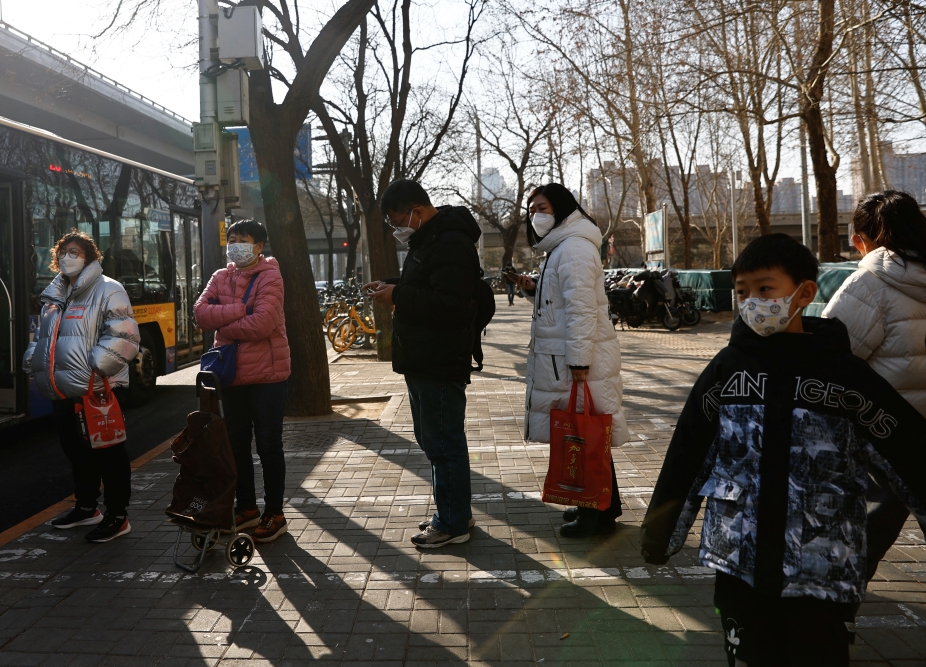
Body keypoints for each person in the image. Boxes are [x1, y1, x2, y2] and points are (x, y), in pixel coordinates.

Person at [640, 233, 926, 666]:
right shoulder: (727, 371)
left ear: (804, 292)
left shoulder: (843, 377)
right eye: (742, 292)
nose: (752, 301)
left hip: (821, 570)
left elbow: (907, 451)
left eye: (765, 289)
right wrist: (659, 534)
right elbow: (688, 451)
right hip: (738, 564)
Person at [506, 184, 629, 538]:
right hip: (571, 359)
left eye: (542, 207)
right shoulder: (563, 248)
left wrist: (578, 361)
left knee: (586, 435)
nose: (536, 215)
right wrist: (534, 290)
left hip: (579, 361)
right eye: (531, 210)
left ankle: (596, 514)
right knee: (588, 434)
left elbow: (581, 309)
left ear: (561, 208)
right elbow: (562, 306)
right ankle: (604, 505)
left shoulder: (573, 248)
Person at [364, 179, 480, 548]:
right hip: (423, 358)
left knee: (443, 442)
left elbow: (450, 303)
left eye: (398, 219)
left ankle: (452, 523)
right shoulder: (429, 240)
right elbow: (429, 285)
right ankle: (455, 511)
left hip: (439, 359)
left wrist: (398, 294)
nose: (397, 228)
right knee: (435, 440)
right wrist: (393, 284)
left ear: (418, 208)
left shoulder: (449, 242)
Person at [823, 190, 926, 577]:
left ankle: (834, 613)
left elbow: (833, 361)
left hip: (888, 432)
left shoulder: (868, 285)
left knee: (865, 531)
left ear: (861, 240)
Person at [23, 230, 140, 543]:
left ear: (90, 256)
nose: (67, 257)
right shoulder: (55, 294)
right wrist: (32, 359)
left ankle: (118, 515)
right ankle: (88, 507)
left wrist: (94, 370)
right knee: (76, 451)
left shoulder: (108, 289)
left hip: (99, 389)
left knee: (109, 454)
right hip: (63, 390)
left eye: (75, 251)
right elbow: (44, 338)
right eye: (63, 251)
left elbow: (124, 336)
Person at [194, 219, 291, 544]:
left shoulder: (270, 275)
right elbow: (200, 313)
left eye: (243, 240)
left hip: (268, 377)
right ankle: (247, 508)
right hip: (232, 374)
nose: (235, 245)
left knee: (268, 445)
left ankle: (274, 514)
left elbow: (263, 324)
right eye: (232, 239)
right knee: (236, 444)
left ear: (259, 246)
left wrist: (223, 325)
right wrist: (240, 309)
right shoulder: (220, 276)